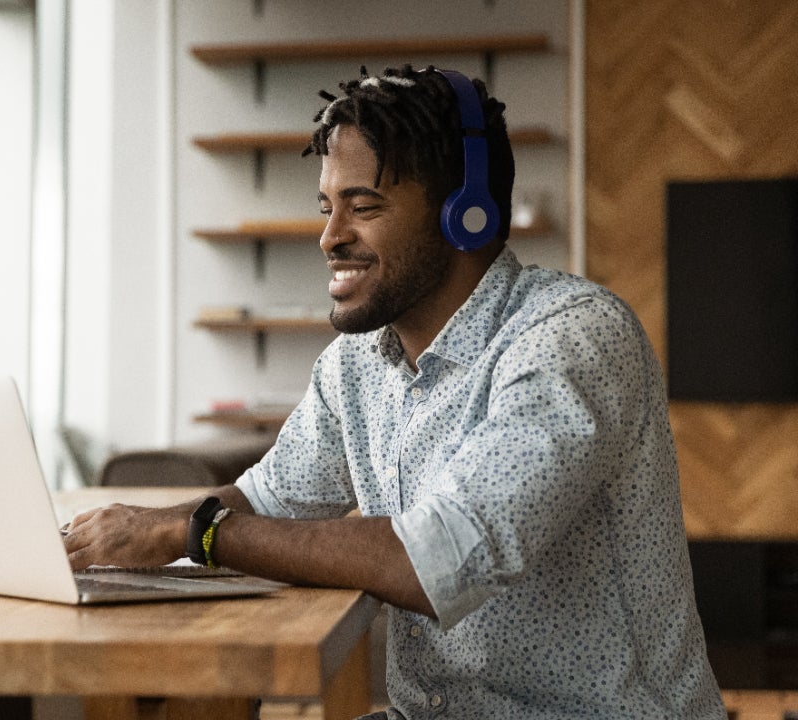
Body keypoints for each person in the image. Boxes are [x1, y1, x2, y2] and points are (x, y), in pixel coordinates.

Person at [62, 63, 725, 719]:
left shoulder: (571, 336)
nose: (330, 238)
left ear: (465, 213)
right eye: (327, 207)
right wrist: (125, 536)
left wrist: (196, 531)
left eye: (364, 206)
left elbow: (442, 558)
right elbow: (268, 502)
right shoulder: (356, 364)